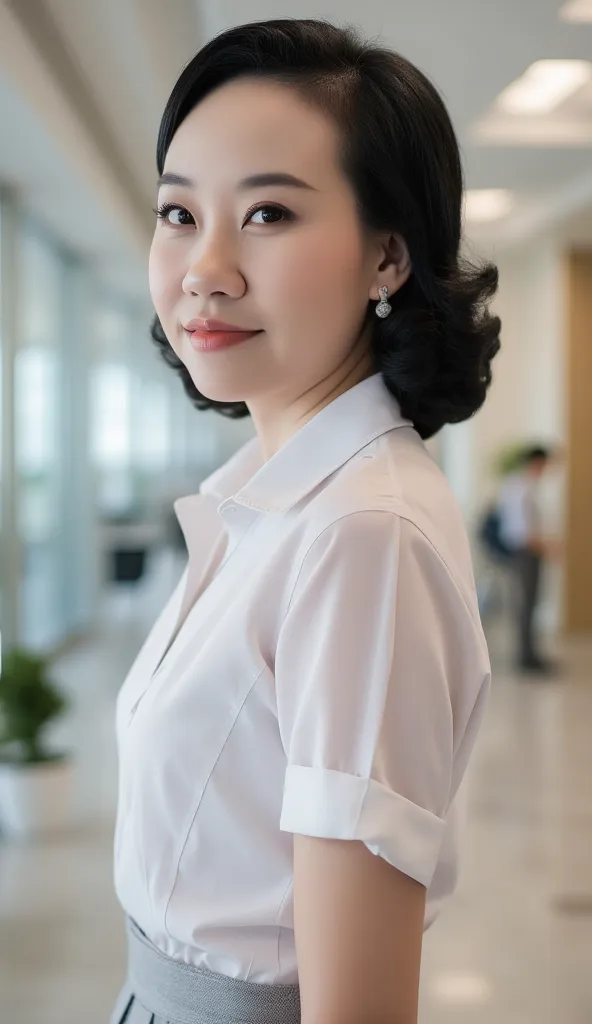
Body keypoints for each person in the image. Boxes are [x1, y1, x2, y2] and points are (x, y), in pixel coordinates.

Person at [110, 19, 500, 1024]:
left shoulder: (359, 535)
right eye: (177, 212)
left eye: (269, 213)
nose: (205, 267)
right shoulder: (278, 501)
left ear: (388, 255)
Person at [497, 445, 559, 675]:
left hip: (528, 552)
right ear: (536, 462)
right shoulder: (520, 488)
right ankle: (526, 658)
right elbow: (521, 531)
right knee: (525, 604)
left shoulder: (522, 486)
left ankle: (530, 654)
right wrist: (548, 547)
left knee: (530, 604)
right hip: (525, 552)